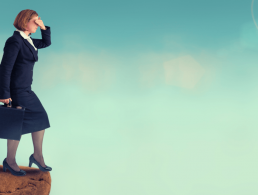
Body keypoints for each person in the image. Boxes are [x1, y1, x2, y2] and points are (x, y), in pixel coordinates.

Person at [0, 9, 52, 176]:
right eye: (35, 21)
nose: (38, 23)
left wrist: (44, 28)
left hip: (26, 90)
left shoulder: (27, 40)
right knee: (16, 123)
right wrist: (3, 93)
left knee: (35, 119)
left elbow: (46, 43)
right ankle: (11, 160)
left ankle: (36, 156)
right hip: (16, 91)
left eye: (39, 20)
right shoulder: (15, 41)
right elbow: (5, 69)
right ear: (26, 21)